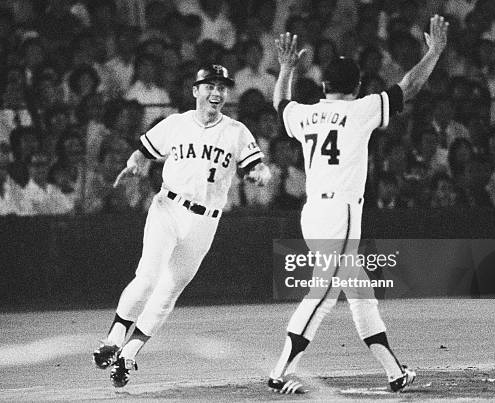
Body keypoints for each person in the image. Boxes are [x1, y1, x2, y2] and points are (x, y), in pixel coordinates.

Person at [268, 15, 449, 394]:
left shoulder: (306, 111)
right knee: (323, 293)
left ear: (323, 84)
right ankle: (281, 370)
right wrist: (433, 53)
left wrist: (285, 68)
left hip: (313, 211)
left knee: (359, 292)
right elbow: (409, 87)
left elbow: (280, 104)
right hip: (341, 213)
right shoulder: (363, 108)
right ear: (359, 86)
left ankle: (393, 370)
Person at [92, 64, 271, 388]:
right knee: (147, 277)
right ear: (195, 90)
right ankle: (114, 338)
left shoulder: (236, 131)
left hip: (205, 220)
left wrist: (262, 174)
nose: (216, 92)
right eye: (210, 86)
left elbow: (259, 167)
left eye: (222, 87)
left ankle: (129, 354)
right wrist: (134, 163)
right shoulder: (175, 124)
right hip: (168, 208)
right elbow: (142, 152)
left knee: (170, 290)